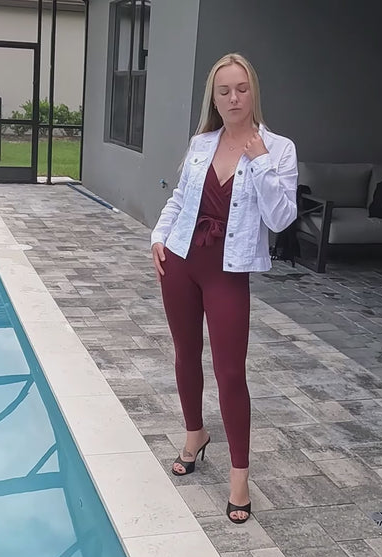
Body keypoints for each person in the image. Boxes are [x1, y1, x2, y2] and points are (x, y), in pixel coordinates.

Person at [150, 53, 298, 524]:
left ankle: (239, 476)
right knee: (184, 354)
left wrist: (260, 162)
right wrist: (157, 236)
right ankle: (194, 434)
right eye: (224, 91)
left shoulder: (278, 149)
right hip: (180, 262)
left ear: (254, 92)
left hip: (228, 272)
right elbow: (179, 198)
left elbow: (281, 219)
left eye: (241, 89)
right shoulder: (201, 143)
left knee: (231, 372)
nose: (234, 98)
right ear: (213, 99)